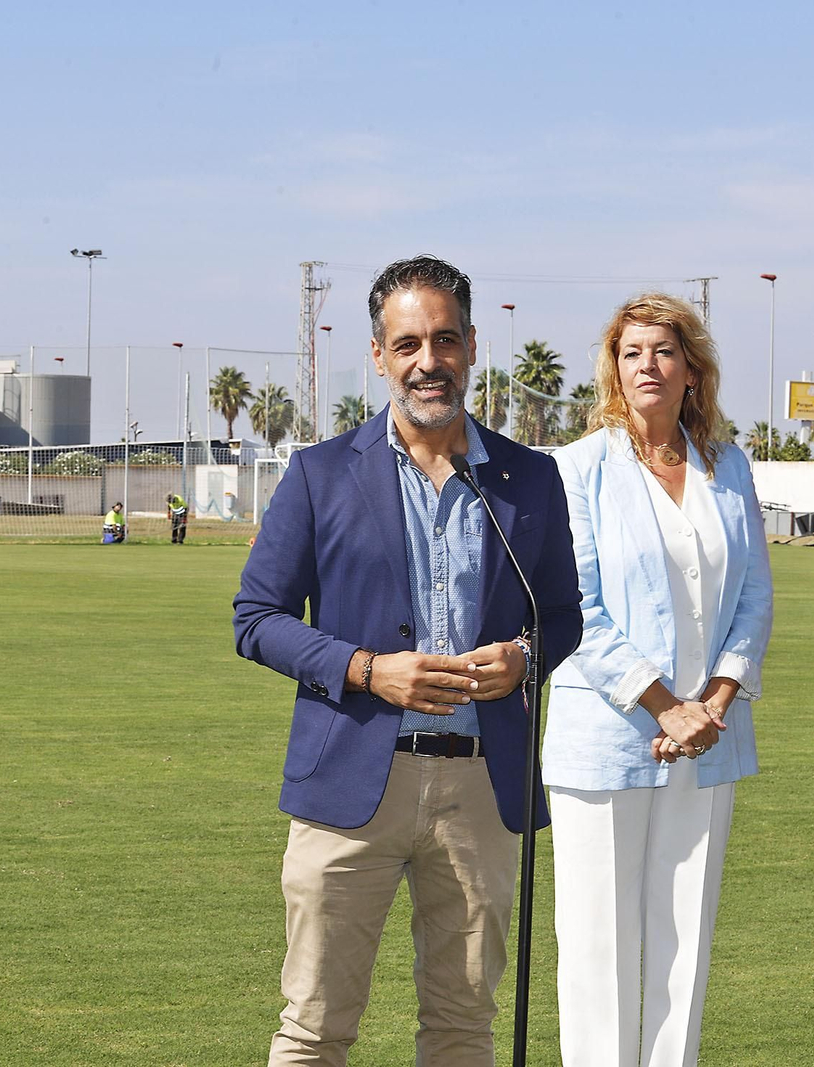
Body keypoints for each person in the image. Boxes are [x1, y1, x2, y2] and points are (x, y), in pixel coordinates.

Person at [233, 255, 582, 1066]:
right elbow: (256, 619)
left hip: (479, 787)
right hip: (351, 782)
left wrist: (525, 657)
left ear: (470, 348)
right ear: (380, 354)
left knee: (464, 1028)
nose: (430, 361)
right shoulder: (320, 473)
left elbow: (562, 615)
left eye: (446, 340)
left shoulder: (531, 477)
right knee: (315, 1028)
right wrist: (365, 668)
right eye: (410, 343)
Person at [543, 293, 773, 1066]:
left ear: (691, 370)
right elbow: (575, 606)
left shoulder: (728, 465)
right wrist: (664, 706)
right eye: (632, 350)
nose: (648, 363)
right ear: (615, 368)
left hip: (708, 740)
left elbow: (755, 595)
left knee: (685, 944)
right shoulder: (575, 469)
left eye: (663, 350)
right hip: (606, 742)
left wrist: (713, 701)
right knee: (600, 950)